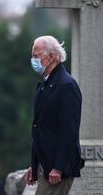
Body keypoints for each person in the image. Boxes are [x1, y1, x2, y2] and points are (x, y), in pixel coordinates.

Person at [24, 35, 85, 195]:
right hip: (47, 165)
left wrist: (59, 167)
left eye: (36, 55)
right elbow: (41, 128)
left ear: (51, 56)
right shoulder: (46, 85)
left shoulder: (66, 86)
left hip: (57, 170)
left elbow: (69, 130)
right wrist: (35, 165)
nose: (33, 59)